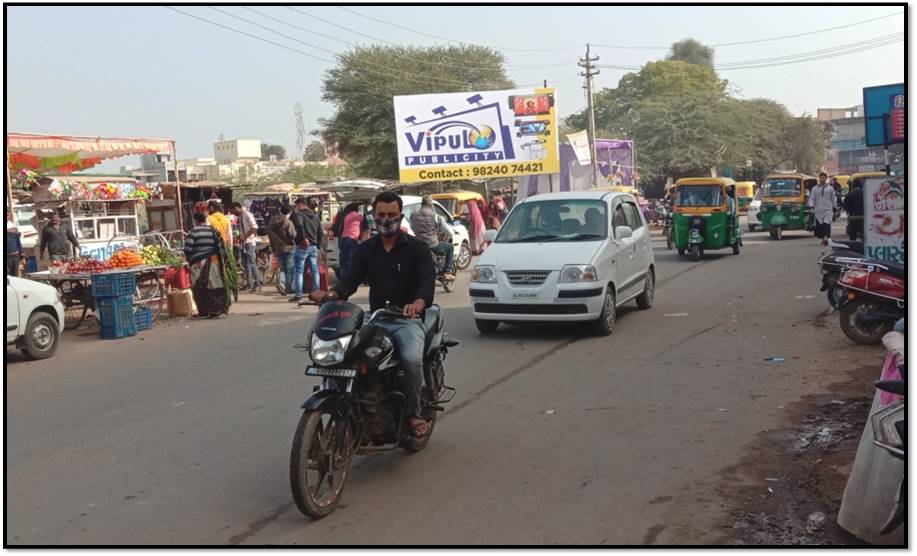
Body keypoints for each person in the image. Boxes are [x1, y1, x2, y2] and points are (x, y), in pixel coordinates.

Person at [309, 191, 435, 439]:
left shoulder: (417, 248)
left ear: (400, 216)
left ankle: (414, 413)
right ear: (373, 216)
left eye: (391, 215)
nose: (386, 219)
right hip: (375, 319)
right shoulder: (366, 249)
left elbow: (426, 281)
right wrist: (333, 294)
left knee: (410, 359)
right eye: (381, 215)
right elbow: (350, 280)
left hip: (407, 320)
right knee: (345, 352)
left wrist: (418, 303)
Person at [184, 212, 233, 318]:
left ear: (195, 220)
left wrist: (188, 258)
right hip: (214, 262)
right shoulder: (213, 230)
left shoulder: (193, 231)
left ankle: (205, 311)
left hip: (199, 263)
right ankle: (218, 309)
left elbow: (188, 248)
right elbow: (220, 246)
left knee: (200, 287)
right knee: (216, 285)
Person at [410, 196, 455, 280]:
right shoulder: (435, 215)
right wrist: (452, 233)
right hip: (432, 244)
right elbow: (446, 229)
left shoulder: (413, 215)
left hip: (418, 245)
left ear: (421, 204)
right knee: (450, 248)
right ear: (430, 204)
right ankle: (447, 272)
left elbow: (412, 227)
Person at [290, 197, 324, 303]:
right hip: (313, 246)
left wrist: (304, 239)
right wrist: (317, 245)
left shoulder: (299, 215)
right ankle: (316, 293)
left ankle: (299, 295)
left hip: (303, 246)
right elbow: (320, 232)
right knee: (315, 270)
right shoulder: (315, 216)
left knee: (299, 271)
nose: (296, 207)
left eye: (297, 205)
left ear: (300, 204)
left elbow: (300, 226)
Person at [231, 202, 262, 292]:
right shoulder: (240, 216)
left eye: (234, 210)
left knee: (252, 263)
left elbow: (255, 227)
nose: (233, 212)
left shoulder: (248, 214)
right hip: (243, 243)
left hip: (249, 242)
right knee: (246, 264)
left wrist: (244, 236)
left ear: (239, 207)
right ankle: (249, 284)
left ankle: (257, 284)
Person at [268, 205, 297, 294]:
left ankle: (281, 284)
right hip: (289, 248)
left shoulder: (271, 222)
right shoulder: (288, 222)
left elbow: (270, 236)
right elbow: (293, 235)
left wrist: (273, 248)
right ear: (289, 212)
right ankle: (288, 287)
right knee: (290, 269)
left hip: (278, 248)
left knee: (282, 268)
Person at [336, 202, 366, 278]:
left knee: (344, 260)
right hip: (352, 240)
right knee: (352, 260)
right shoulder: (358, 216)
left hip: (344, 239)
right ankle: (351, 278)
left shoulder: (346, 216)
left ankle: (343, 277)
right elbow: (366, 223)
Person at [809, 172, 838, 246]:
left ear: (826, 178)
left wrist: (834, 207)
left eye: (824, 178)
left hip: (828, 209)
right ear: (819, 178)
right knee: (820, 226)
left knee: (826, 223)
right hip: (818, 210)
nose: (822, 179)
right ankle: (823, 238)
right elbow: (812, 198)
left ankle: (826, 238)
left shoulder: (830, 188)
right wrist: (811, 207)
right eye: (821, 178)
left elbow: (833, 198)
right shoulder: (815, 189)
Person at [6, 212, 23, 277]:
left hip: (15, 256)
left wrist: (22, 255)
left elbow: (18, 242)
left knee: (15, 275)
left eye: (7, 215)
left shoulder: (13, 227)